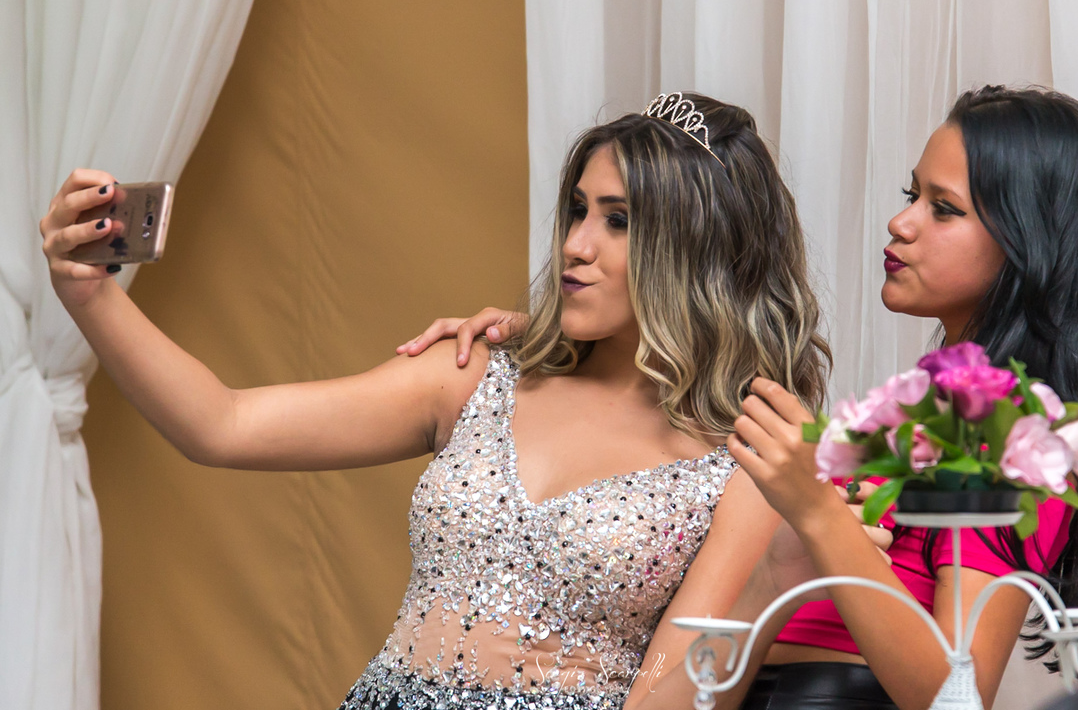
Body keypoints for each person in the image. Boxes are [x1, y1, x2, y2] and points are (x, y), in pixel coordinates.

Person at [40, 92, 890, 709]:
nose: (576, 244)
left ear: (697, 250)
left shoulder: (745, 458)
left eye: (620, 220)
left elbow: (664, 701)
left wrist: (770, 587)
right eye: (578, 210)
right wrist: (88, 294)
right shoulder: (476, 371)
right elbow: (221, 424)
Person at [402, 86, 1078, 710]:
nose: (902, 222)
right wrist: (554, 341)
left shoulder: (1005, 423)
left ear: (1029, 242)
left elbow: (958, 694)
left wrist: (817, 514)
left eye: (943, 208)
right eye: (910, 194)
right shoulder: (936, 406)